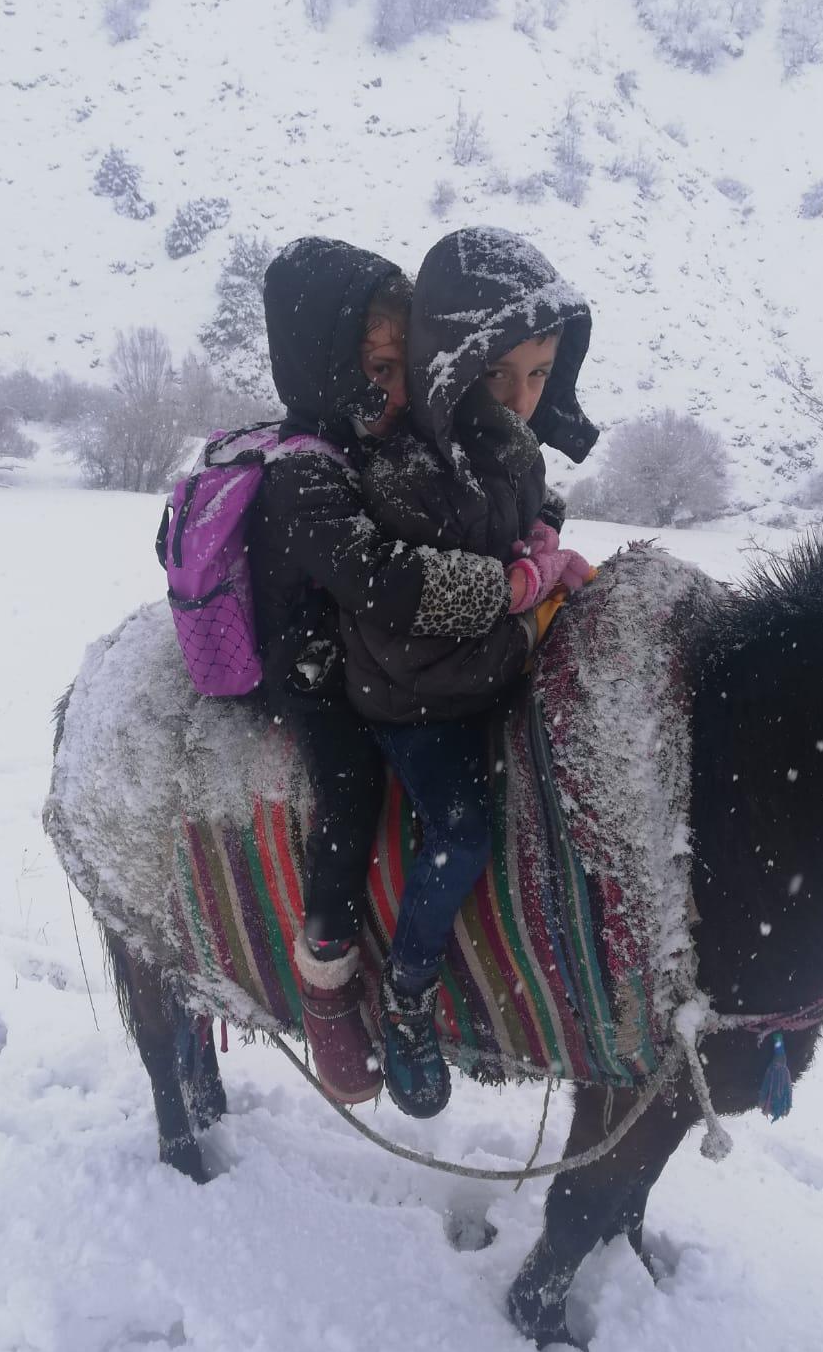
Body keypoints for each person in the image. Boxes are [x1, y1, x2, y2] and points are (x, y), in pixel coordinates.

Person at [250, 236, 548, 1106]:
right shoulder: (300, 475)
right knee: (349, 794)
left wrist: (533, 531)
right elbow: (389, 582)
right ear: (320, 366)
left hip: (391, 663)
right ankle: (329, 975)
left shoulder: (397, 435)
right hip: (315, 666)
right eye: (374, 368)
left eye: (402, 365)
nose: (393, 390)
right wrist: (512, 585)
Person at [339, 225, 599, 1119]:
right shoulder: (407, 470)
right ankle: (407, 997)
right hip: (416, 700)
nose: (522, 400)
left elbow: (523, 518)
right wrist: (531, 609)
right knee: (464, 830)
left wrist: (543, 543)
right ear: (451, 363)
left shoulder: (507, 447)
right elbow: (424, 628)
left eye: (539, 374)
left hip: (483, 673)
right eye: (499, 375)